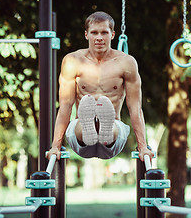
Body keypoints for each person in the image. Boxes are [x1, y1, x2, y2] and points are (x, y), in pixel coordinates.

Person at [47, 11, 153, 162]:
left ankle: (106, 128)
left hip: (114, 137)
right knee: (80, 126)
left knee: (113, 127)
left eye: (104, 32)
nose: (99, 38)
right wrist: (55, 147)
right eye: (94, 33)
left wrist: (143, 147)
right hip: (81, 137)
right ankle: (90, 126)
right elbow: (65, 105)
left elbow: (135, 108)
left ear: (113, 34)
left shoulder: (126, 63)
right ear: (86, 35)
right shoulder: (72, 61)